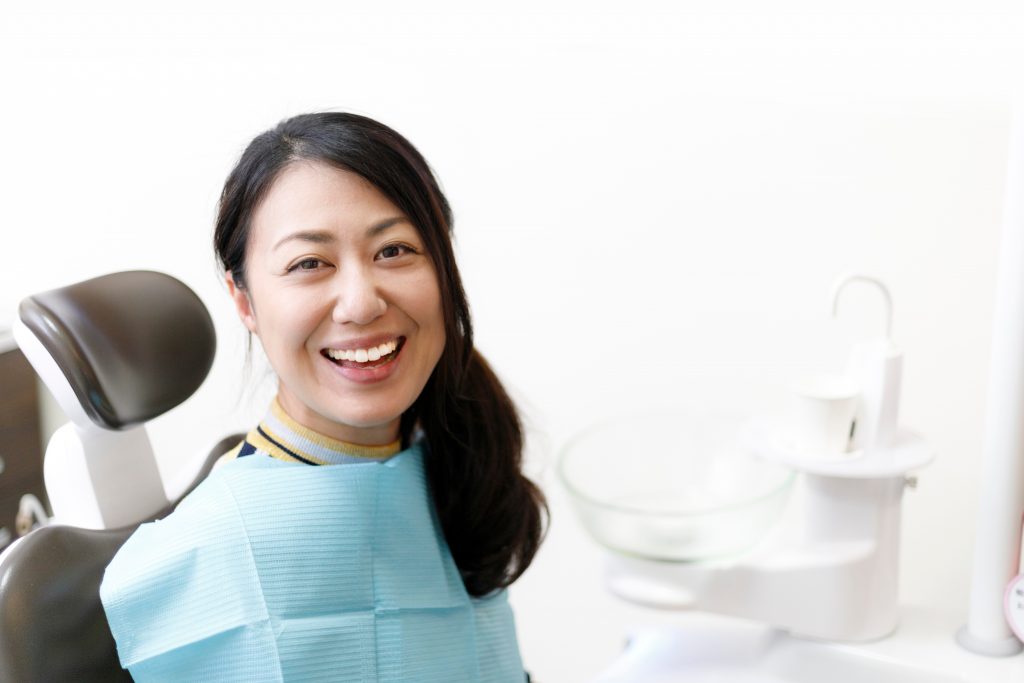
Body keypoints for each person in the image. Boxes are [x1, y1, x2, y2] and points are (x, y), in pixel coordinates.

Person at [99, 112, 547, 682]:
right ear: (244, 302)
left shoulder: (457, 465)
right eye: (309, 263)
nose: (361, 303)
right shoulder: (210, 551)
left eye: (394, 251)